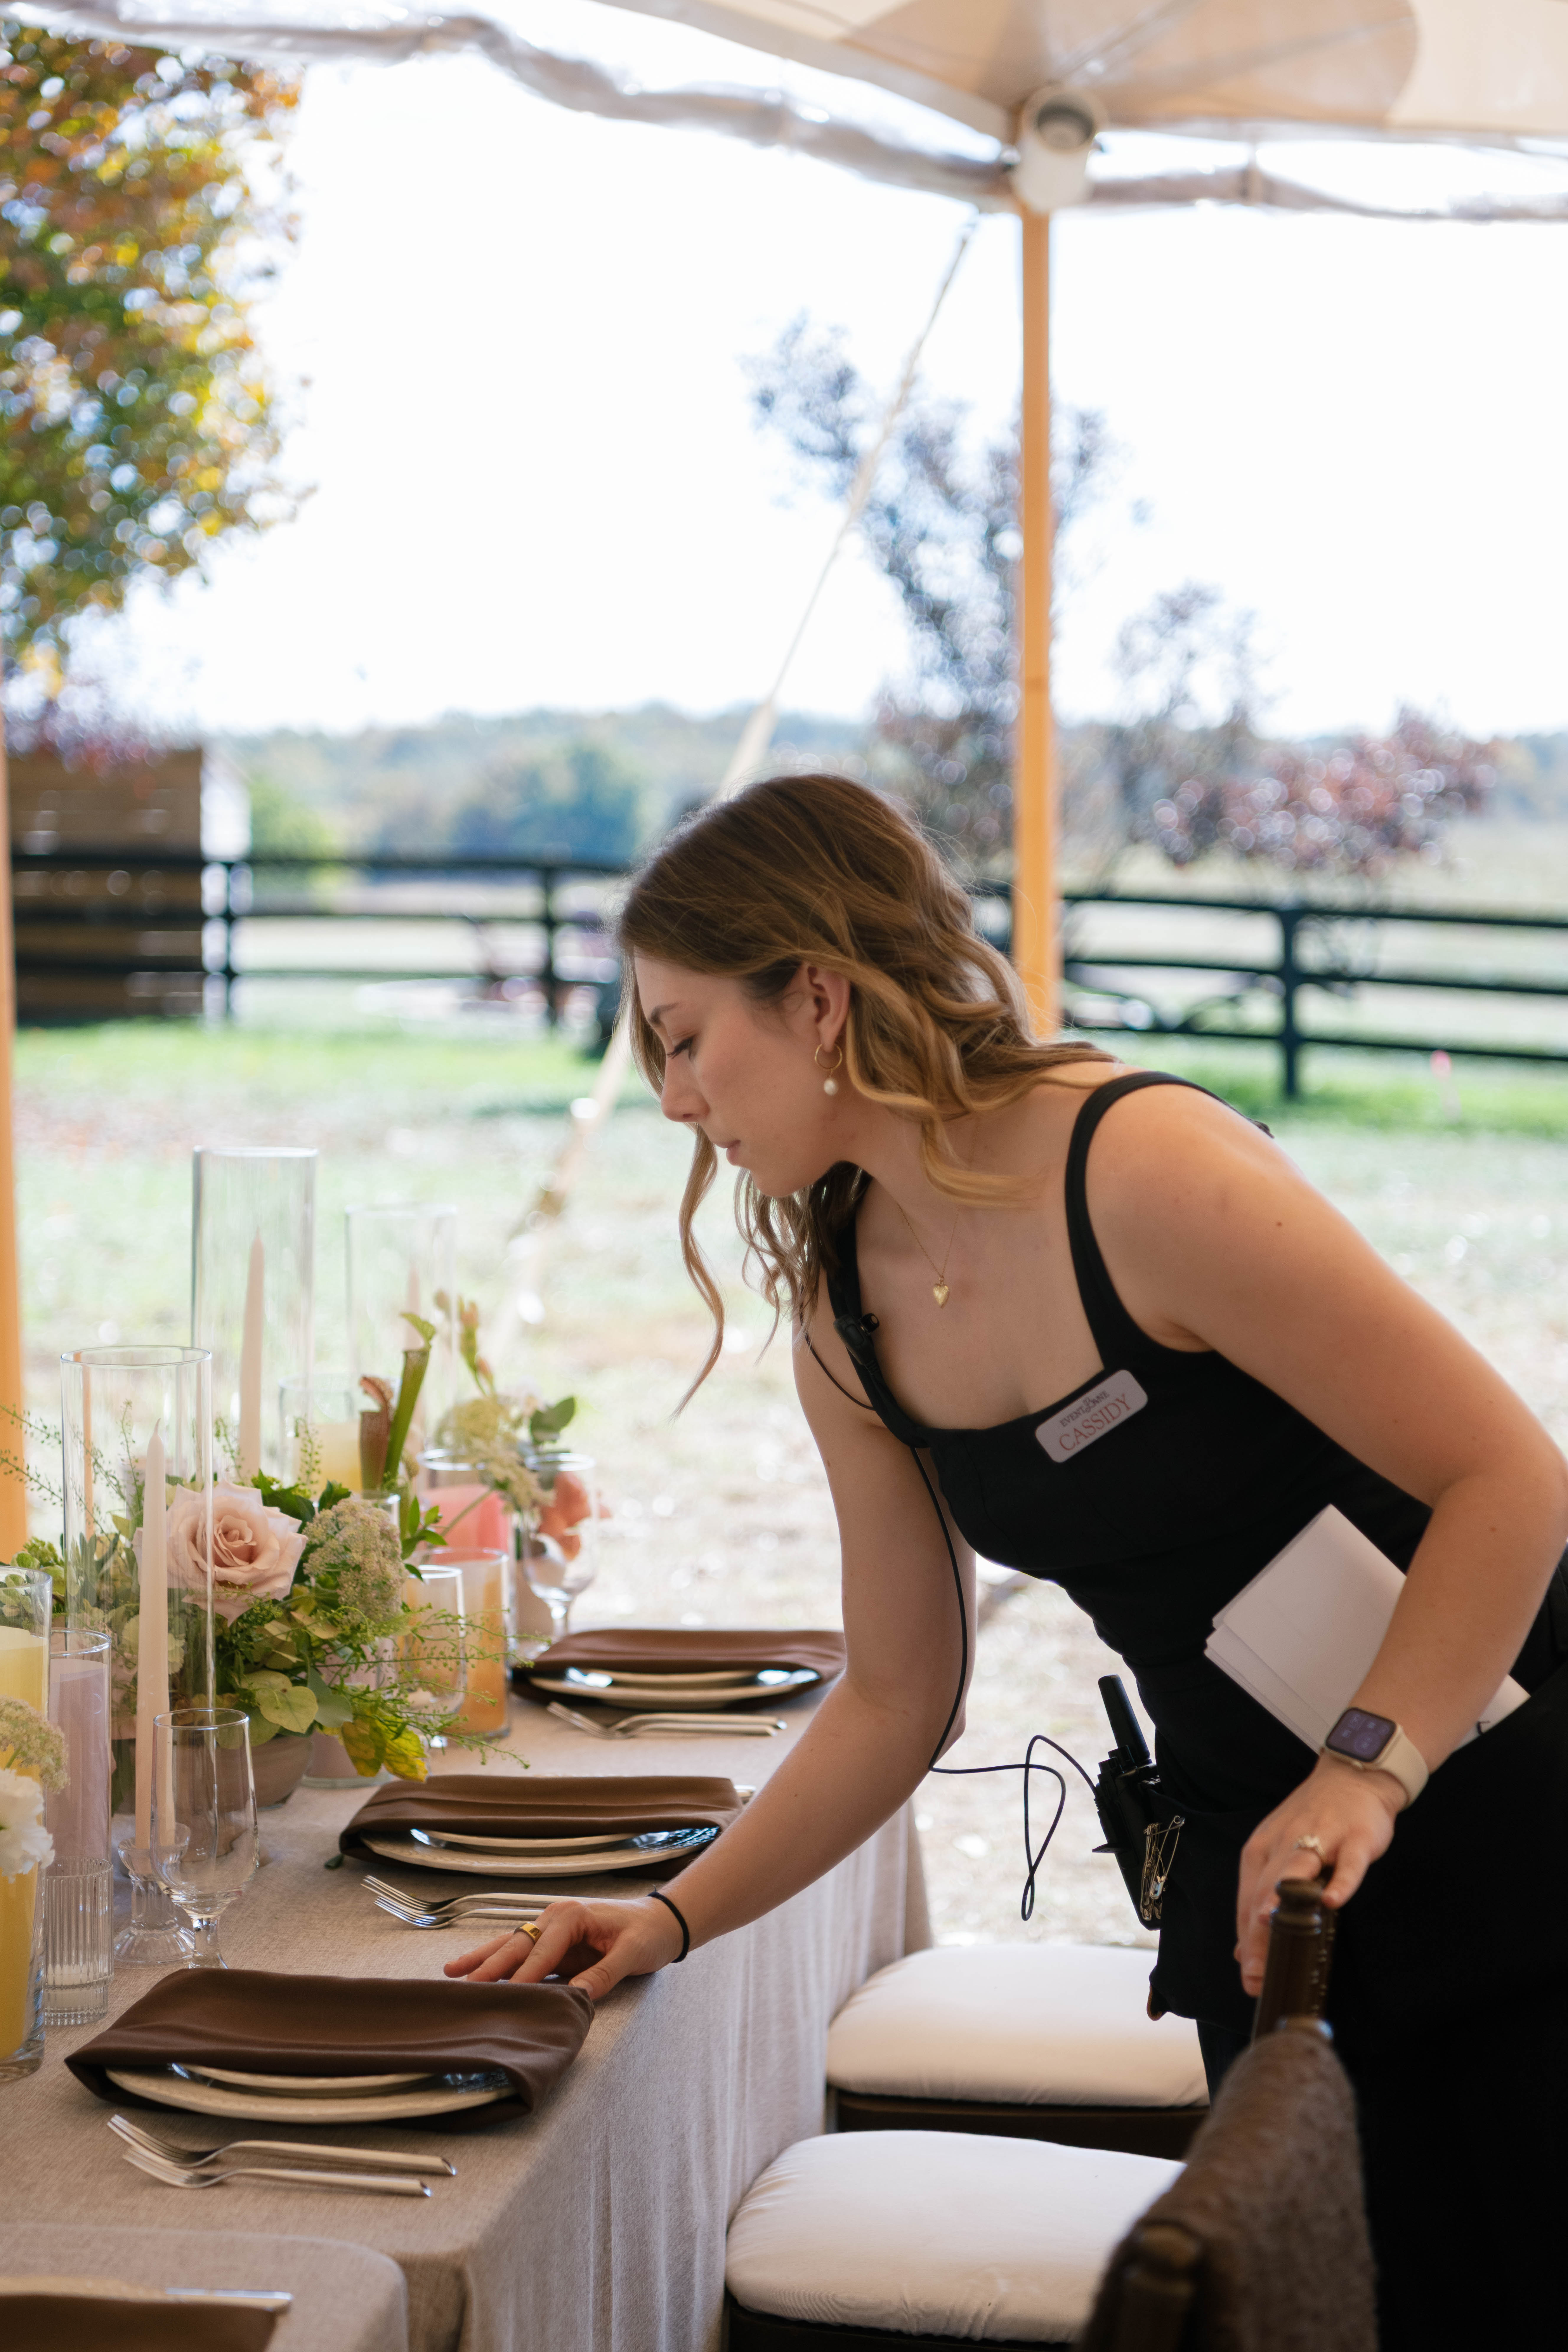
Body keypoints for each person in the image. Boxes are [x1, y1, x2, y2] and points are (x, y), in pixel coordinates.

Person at [448, 773, 1568, 2343]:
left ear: (819, 1000)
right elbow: (898, 1699)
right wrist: (672, 1915)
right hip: (1276, 1866)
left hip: (1497, 1777)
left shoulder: (1140, 1170)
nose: (674, 1099)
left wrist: (1370, 1768)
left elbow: (1511, 1479)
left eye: (686, 1036)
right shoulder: (852, 1322)